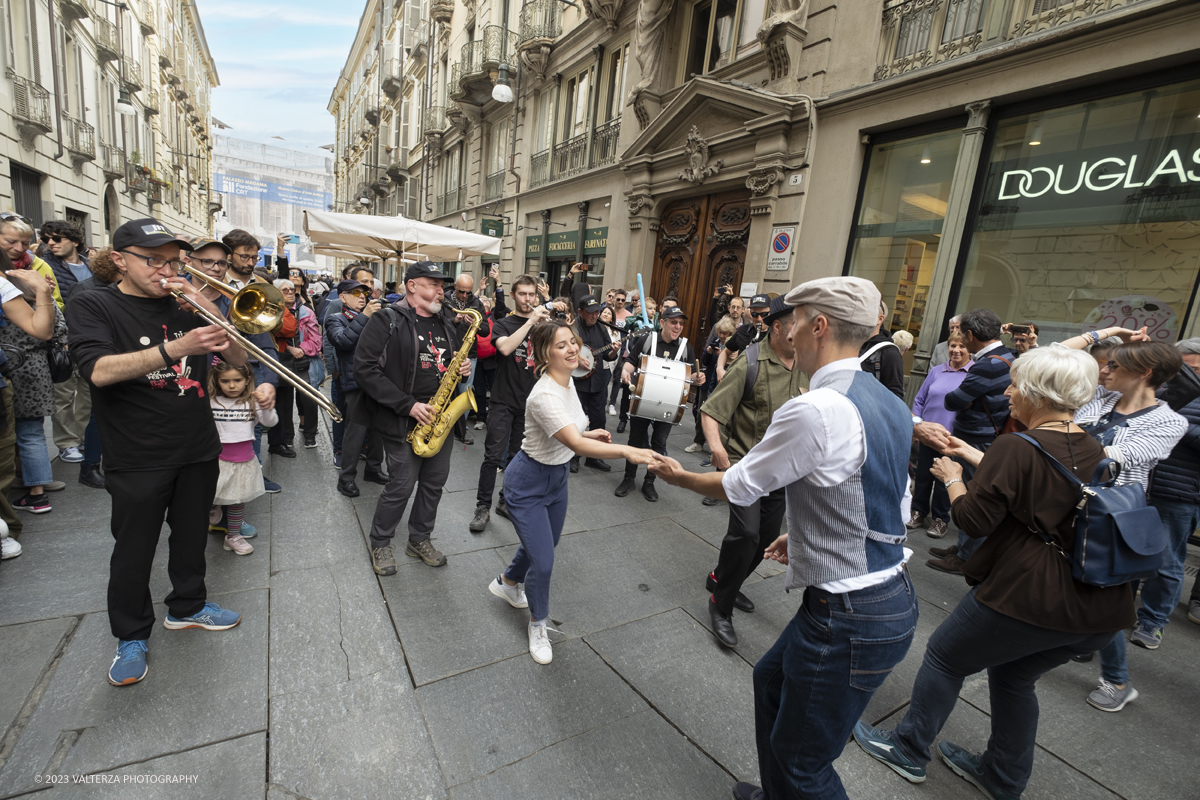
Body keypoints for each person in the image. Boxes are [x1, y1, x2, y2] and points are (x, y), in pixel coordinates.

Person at [648, 276, 918, 800]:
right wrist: (806, 533)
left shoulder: (815, 408)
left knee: (807, 769)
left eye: (795, 319)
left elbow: (741, 484)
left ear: (818, 326)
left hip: (849, 612)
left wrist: (679, 475)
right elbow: (884, 494)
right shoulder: (883, 398)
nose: (788, 329)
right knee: (770, 682)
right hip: (878, 597)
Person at [854, 345, 1136, 799]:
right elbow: (1042, 485)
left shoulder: (1013, 446)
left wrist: (951, 476)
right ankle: (1003, 777)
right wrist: (969, 453)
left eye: (1016, 385)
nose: (1009, 393)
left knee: (946, 657)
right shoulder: (1089, 442)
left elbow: (974, 520)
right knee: (1014, 677)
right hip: (1099, 605)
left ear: (1038, 395)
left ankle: (908, 748)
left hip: (1031, 593)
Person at [67, 218, 248, 687]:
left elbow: (240, 362)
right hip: (137, 450)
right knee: (134, 548)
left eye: (173, 260)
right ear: (121, 259)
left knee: (190, 536)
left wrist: (208, 307)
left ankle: (187, 606)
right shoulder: (93, 302)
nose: (166, 269)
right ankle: (130, 635)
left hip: (197, 444)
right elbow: (100, 371)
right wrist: (177, 347)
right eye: (154, 260)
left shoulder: (188, 303)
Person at [487, 320, 655, 663]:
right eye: (561, 345)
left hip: (557, 478)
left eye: (573, 342)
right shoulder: (545, 394)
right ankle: (538, 623)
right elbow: (572, 441)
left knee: (548, 544)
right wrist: (626, 451)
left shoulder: (567, 383)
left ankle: (506, 582)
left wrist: (590, 432)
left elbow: (572, 430)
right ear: (545, 354)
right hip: (528, 483)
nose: (572, 349)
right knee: (544, 561)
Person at [1055, 328, 1186, 712]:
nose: (1104, 370)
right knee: (1062, 582)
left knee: (1102, 596)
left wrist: (1055, 438)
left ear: (1144, 371)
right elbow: (1054, 355)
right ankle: (1070, 643)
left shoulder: (1169, 423)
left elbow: (1111, 457)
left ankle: (1117, 679)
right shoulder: (1098, 396)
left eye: (1114, 364)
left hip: (1110, 518)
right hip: (1066, 504)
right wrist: (1108, 332)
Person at [699, 296, 807, 648]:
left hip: (783, 471)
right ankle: (720, 604)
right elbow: (712, 410)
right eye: (796, 324)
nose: (802, 331)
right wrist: (716, 447)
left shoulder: (808, 365)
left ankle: (721, 579)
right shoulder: (750, 362)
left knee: (763, 541)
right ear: (777, 327)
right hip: (746, 466)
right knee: (745, 535)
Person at [351, 262, 471, 573]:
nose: (440, 290)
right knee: (401, 485)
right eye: (432, 284)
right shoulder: (386, 319)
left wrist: (461, 370)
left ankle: (419, 538)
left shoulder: (446, 322)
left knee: (434, 483)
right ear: (412, 286)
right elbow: (364, 370)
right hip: (402, 418)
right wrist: (407, 405)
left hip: (439, 418)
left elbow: (448, 362)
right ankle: (380, 543)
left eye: (441, 285)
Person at [470, 276, 563, 533]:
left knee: (517, 457)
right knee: (492, 456)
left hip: (530, 402)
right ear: (513, 295)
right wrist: (531, 321)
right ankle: (482, 507)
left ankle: (505, 501)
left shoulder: (544, 325)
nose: (527, 299)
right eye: (522, 294)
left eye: (531, 294)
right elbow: (505, 349)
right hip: (502, 399)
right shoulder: (503, 323)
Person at [926, 307, 1014, 574]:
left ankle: (967, 557)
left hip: (977, 438)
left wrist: (964, 398)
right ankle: (964, 547)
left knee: (972, 495)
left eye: (961, 333)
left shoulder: (987, 365)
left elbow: (953, 400)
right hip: (987, 434)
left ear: (971, 335)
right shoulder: (1009, 355)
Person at [0, 248, 56, 545]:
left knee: (15, 442)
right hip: (30, 370)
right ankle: (37, 492)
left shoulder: (5, 286)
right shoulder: (12, 285)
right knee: (30, 433)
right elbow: (53, 330)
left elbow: (45, 329)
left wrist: (41, 292)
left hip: (12, 374)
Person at [615, 306, 697, 502]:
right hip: (643, 400)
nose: (678, 326)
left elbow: (691, 374)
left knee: (659, 443)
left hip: (669, 404)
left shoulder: (686, 347)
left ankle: (650, 482)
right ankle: (628, 478)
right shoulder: (647, 340)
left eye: (681, 324)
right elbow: (631, 362)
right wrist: (625, 372)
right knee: (635, 440)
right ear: (663, 322)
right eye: (674, 322)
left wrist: (697, 378)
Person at [1145, 338, 1200, 634]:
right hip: (1146, 484)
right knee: (1129, 555)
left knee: (1167, 562)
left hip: (1180, 493)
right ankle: (1114, 617)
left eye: (1191, 369)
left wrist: (1175, 423)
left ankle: (1153, 621)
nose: (1184, 375)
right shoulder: (1164, 390)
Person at [208, 361, 277, 556]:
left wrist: (267, 406)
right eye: (225, 381)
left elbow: (269, 423)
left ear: (247, 380)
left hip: (245, 461)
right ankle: (214, 508)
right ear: (217, 381)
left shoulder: (252, 402)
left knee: (238, 501)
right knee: (212, 493)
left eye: (237, 380)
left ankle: (233, 536)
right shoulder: (212, 402)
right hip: (218, 461)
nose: (231, 385)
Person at [66, 248, 120, 489]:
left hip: (119, 357)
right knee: (97, 415)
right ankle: (89, 467)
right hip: (99, 360)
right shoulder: (86, 289)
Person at [41, 220, 93, 465]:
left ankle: (83, 438)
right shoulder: (45, 266)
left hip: (90, 338)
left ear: (74, 240)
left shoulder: (91, 266)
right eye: (47, 239)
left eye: (57, 238)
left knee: (88, 393)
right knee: (63, 394)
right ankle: (66, 443)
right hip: (61, 340)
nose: (51, 243)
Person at [909, 332, 971, 539]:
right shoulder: (936, 371)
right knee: (924, 475)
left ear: (969, 348)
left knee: (946, 479)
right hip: (928, 434)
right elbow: (919, 400)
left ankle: (940, 519)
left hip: (952, 438)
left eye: (961, 346)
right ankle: (918, 512)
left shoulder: (973, 373)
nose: (956, 350)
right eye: (953, 345)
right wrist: (917, 425)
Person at [327, 280, 386, 497]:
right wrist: (365, 316)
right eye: (356, 293)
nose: (362, 296)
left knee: (379, 429)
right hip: (355, 383)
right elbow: (342, 341)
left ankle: (373, 468)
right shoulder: (336, 318)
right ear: (342, 297)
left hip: (379, 380)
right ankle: (346, 478)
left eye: (365, 293)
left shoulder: (373, 316)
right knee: (355, 432)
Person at [568, 288, 619, 473]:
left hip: (597, 382)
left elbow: (607, 355)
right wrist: (577, 359)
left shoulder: (601, 329)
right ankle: (573, 456)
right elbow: (564, 351)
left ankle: (594, 457)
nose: (595, 315)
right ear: (580, 312)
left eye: (597, 312)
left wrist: (614, 351)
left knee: (599, 420)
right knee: (577, 420)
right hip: (577, 383)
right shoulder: (572, 328)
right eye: (591, 312)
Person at [270, 279, 320, 450]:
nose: (290, 293)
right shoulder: (270, 310)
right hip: (281, 359)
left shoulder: (306, 311)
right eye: (285, 290)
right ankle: (287, 437)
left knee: (309, 398)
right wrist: (290, 348)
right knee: (284, 401)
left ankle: (310, 435)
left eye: (292, 290)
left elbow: (316, 339)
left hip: (303, 360)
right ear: (276, 293)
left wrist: (300, 348)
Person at [445, 272, 485, 446]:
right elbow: (437, 321)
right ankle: (445, 427)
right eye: (462, 292)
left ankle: (462, 430)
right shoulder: (445, 300)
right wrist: (454, 320)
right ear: (455, 286)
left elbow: (486, 331)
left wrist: (474, 325)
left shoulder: (476, 302)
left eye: (468, 292)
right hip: (447, 352)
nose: (465, 296)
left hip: (469, 353)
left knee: (464, 392)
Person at [0, 213, 64, 308]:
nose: (19, 248)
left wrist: (45, 295)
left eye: (25, 243)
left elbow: (59, 306)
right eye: (11, 242)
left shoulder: (40, 265)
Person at [858, 300, 904, 398]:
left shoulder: (890, 353)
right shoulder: (849, 343)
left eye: (866, 313)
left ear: (880, 319)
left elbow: (895, 395)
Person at [717, 294, 769, 382]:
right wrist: (720, 369)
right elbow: (726, 351)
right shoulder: (743, 331)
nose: (759, 319)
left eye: (764, 314)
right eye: (755, 314)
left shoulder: (777, 334)